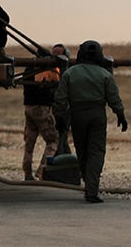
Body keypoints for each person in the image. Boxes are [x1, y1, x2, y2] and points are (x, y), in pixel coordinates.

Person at [53, 40, 127, 203]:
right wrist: (120, 115)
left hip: (77, 115)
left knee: (82, 150)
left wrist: (59, 119)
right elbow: (113, 98)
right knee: (97, 151)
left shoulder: (70, 74)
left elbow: (60, 100)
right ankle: (92, 189)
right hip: (97, 115)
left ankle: (89, 184)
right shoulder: (105, 74)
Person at [21, 44, 65, 180]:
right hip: (41, 108)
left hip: (28, 107)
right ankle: (42, 171)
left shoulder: (30, 67)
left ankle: (27, 173)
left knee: (29, 143)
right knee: (53, 140)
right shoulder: (49, 69)